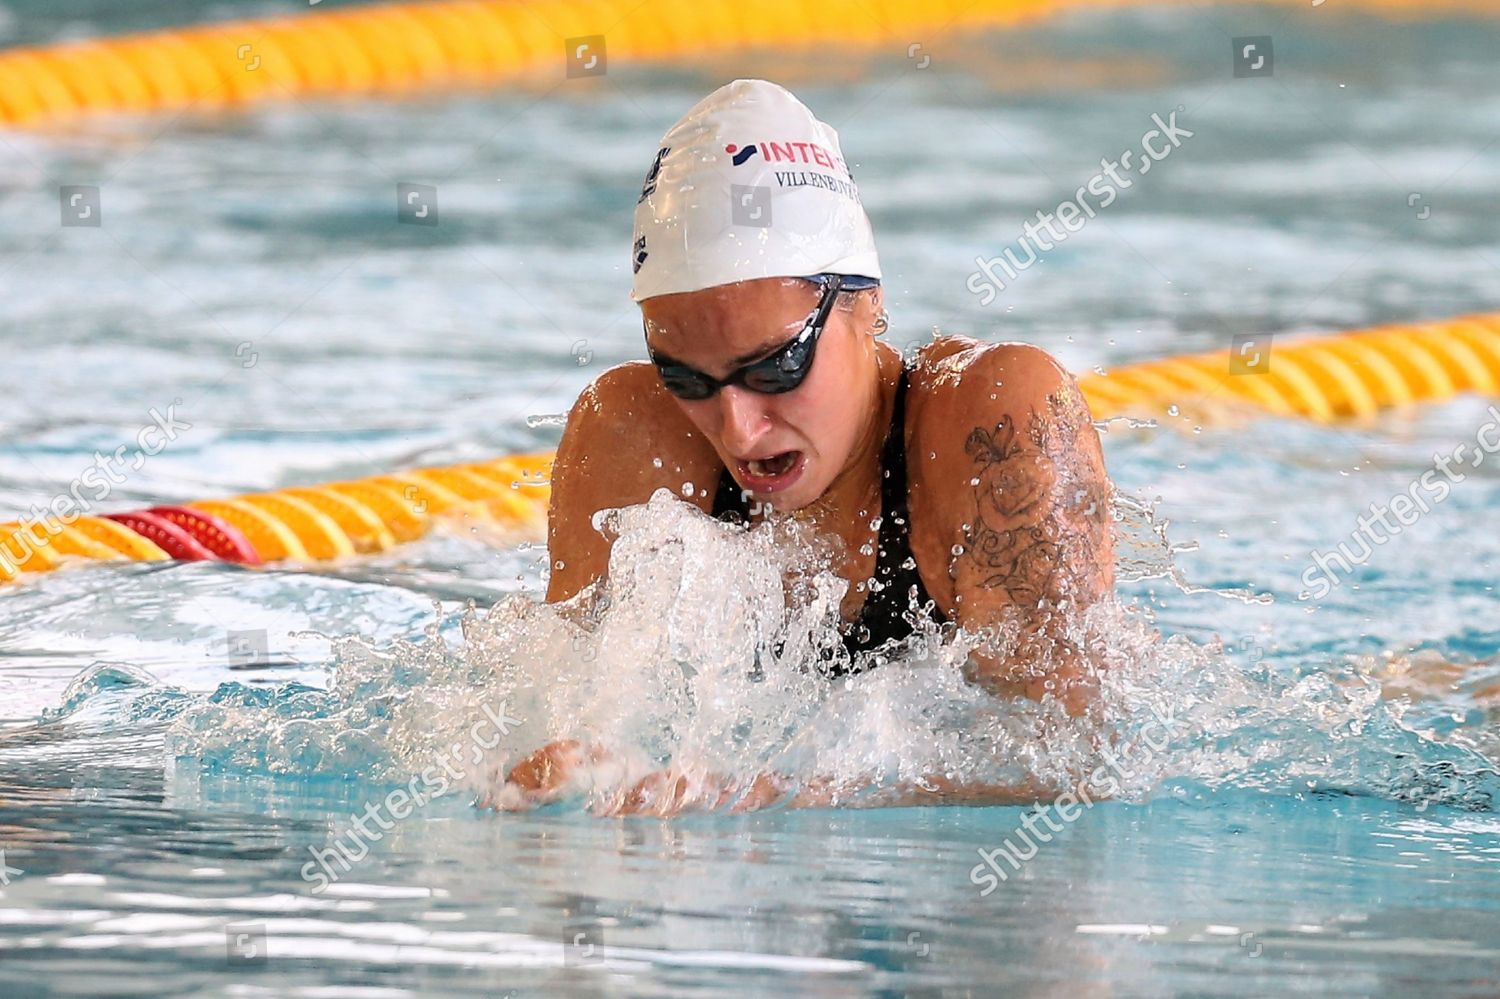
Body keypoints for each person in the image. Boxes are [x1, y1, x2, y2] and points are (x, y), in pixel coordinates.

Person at [496, 79, 1116, 814]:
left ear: (867, 301)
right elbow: (567, 710)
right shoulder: (631, 434)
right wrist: (561, 773)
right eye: (684, 377)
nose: (739, 428)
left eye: (775, 367)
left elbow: (1073, 765)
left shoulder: (989, 427)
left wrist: (793, 799)